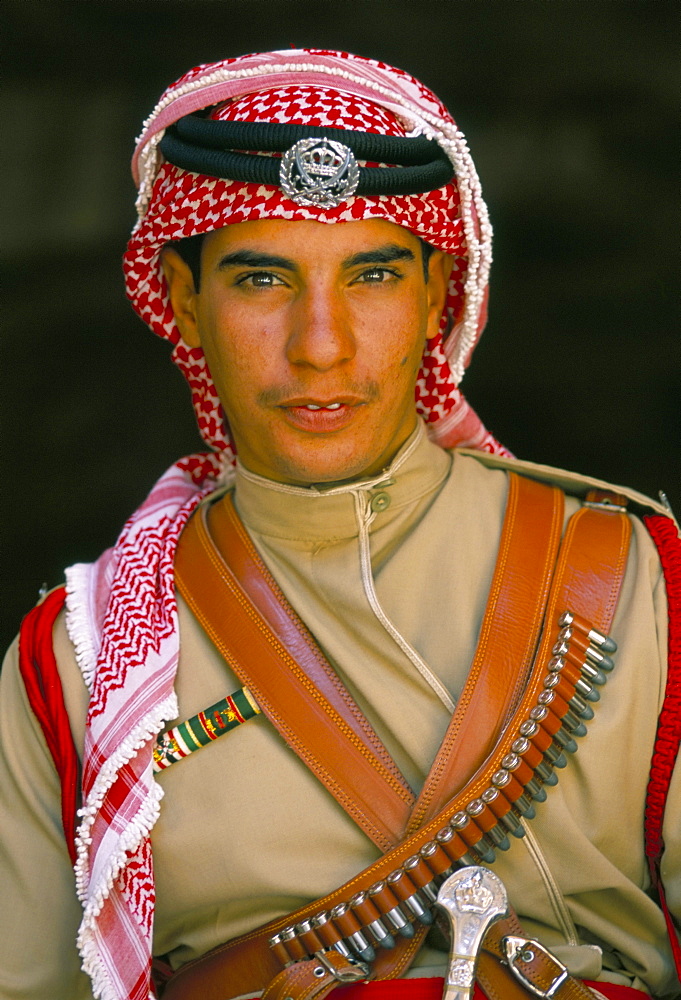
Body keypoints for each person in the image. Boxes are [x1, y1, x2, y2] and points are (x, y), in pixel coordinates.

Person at [0, 48, 678, 1000]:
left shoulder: (634, 580)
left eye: (371, 276)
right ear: (185, 304)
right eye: (262, 282)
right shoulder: (79, 659)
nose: (321, 346)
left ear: (438, 294)